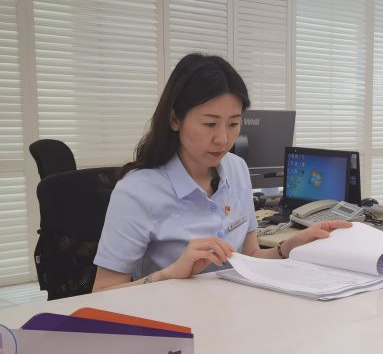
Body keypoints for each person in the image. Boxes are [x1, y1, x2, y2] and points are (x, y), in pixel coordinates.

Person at [93, 54, 348, 292]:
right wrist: (169, 273)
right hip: (170, 319)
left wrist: (288, 247)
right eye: (210, 124)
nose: (223, 139)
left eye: (234, 123)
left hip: (232, 311)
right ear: (175, 119)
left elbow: (251, 257)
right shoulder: (136, 192)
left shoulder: (237, 169)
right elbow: (103, 292)